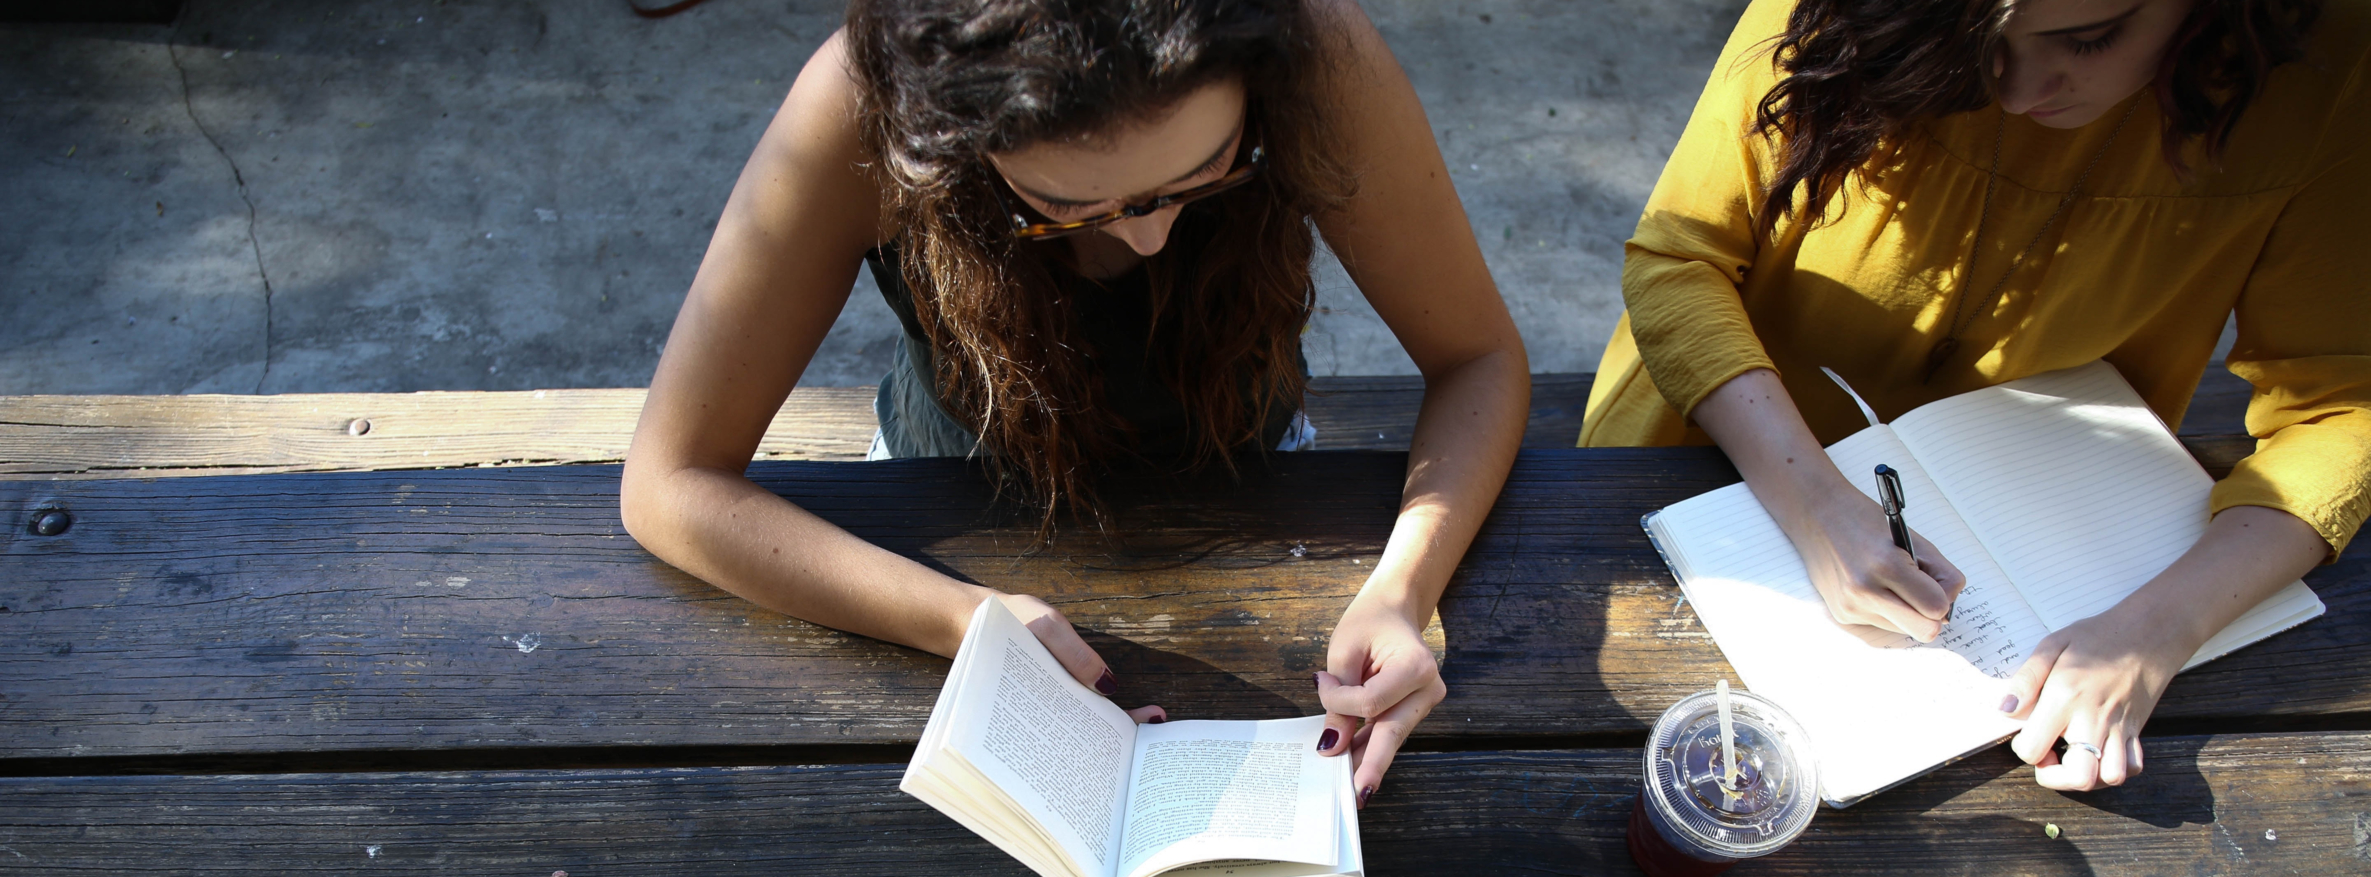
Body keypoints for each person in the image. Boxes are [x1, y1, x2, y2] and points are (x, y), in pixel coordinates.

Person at [620, 0, 1529, 808]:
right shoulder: (864, 98)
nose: (1147, 233)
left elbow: (1478, 357)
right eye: (1066, 204)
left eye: (1208, 170)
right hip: (937, 504)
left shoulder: (1313, 46)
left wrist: (1402, 590)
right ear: (946, 134)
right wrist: (962, 619)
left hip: (1253, 473)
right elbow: (669, 481)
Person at [1584, 0, 2368, 792]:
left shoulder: (2328, 72)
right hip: (1705, 447)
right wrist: (1812, 500)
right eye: (1979, 43)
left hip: (2065, 534)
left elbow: (2343, 406)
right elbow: (1679, 260)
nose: (2018, 91)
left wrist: (2156, 629)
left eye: (2088, 39)